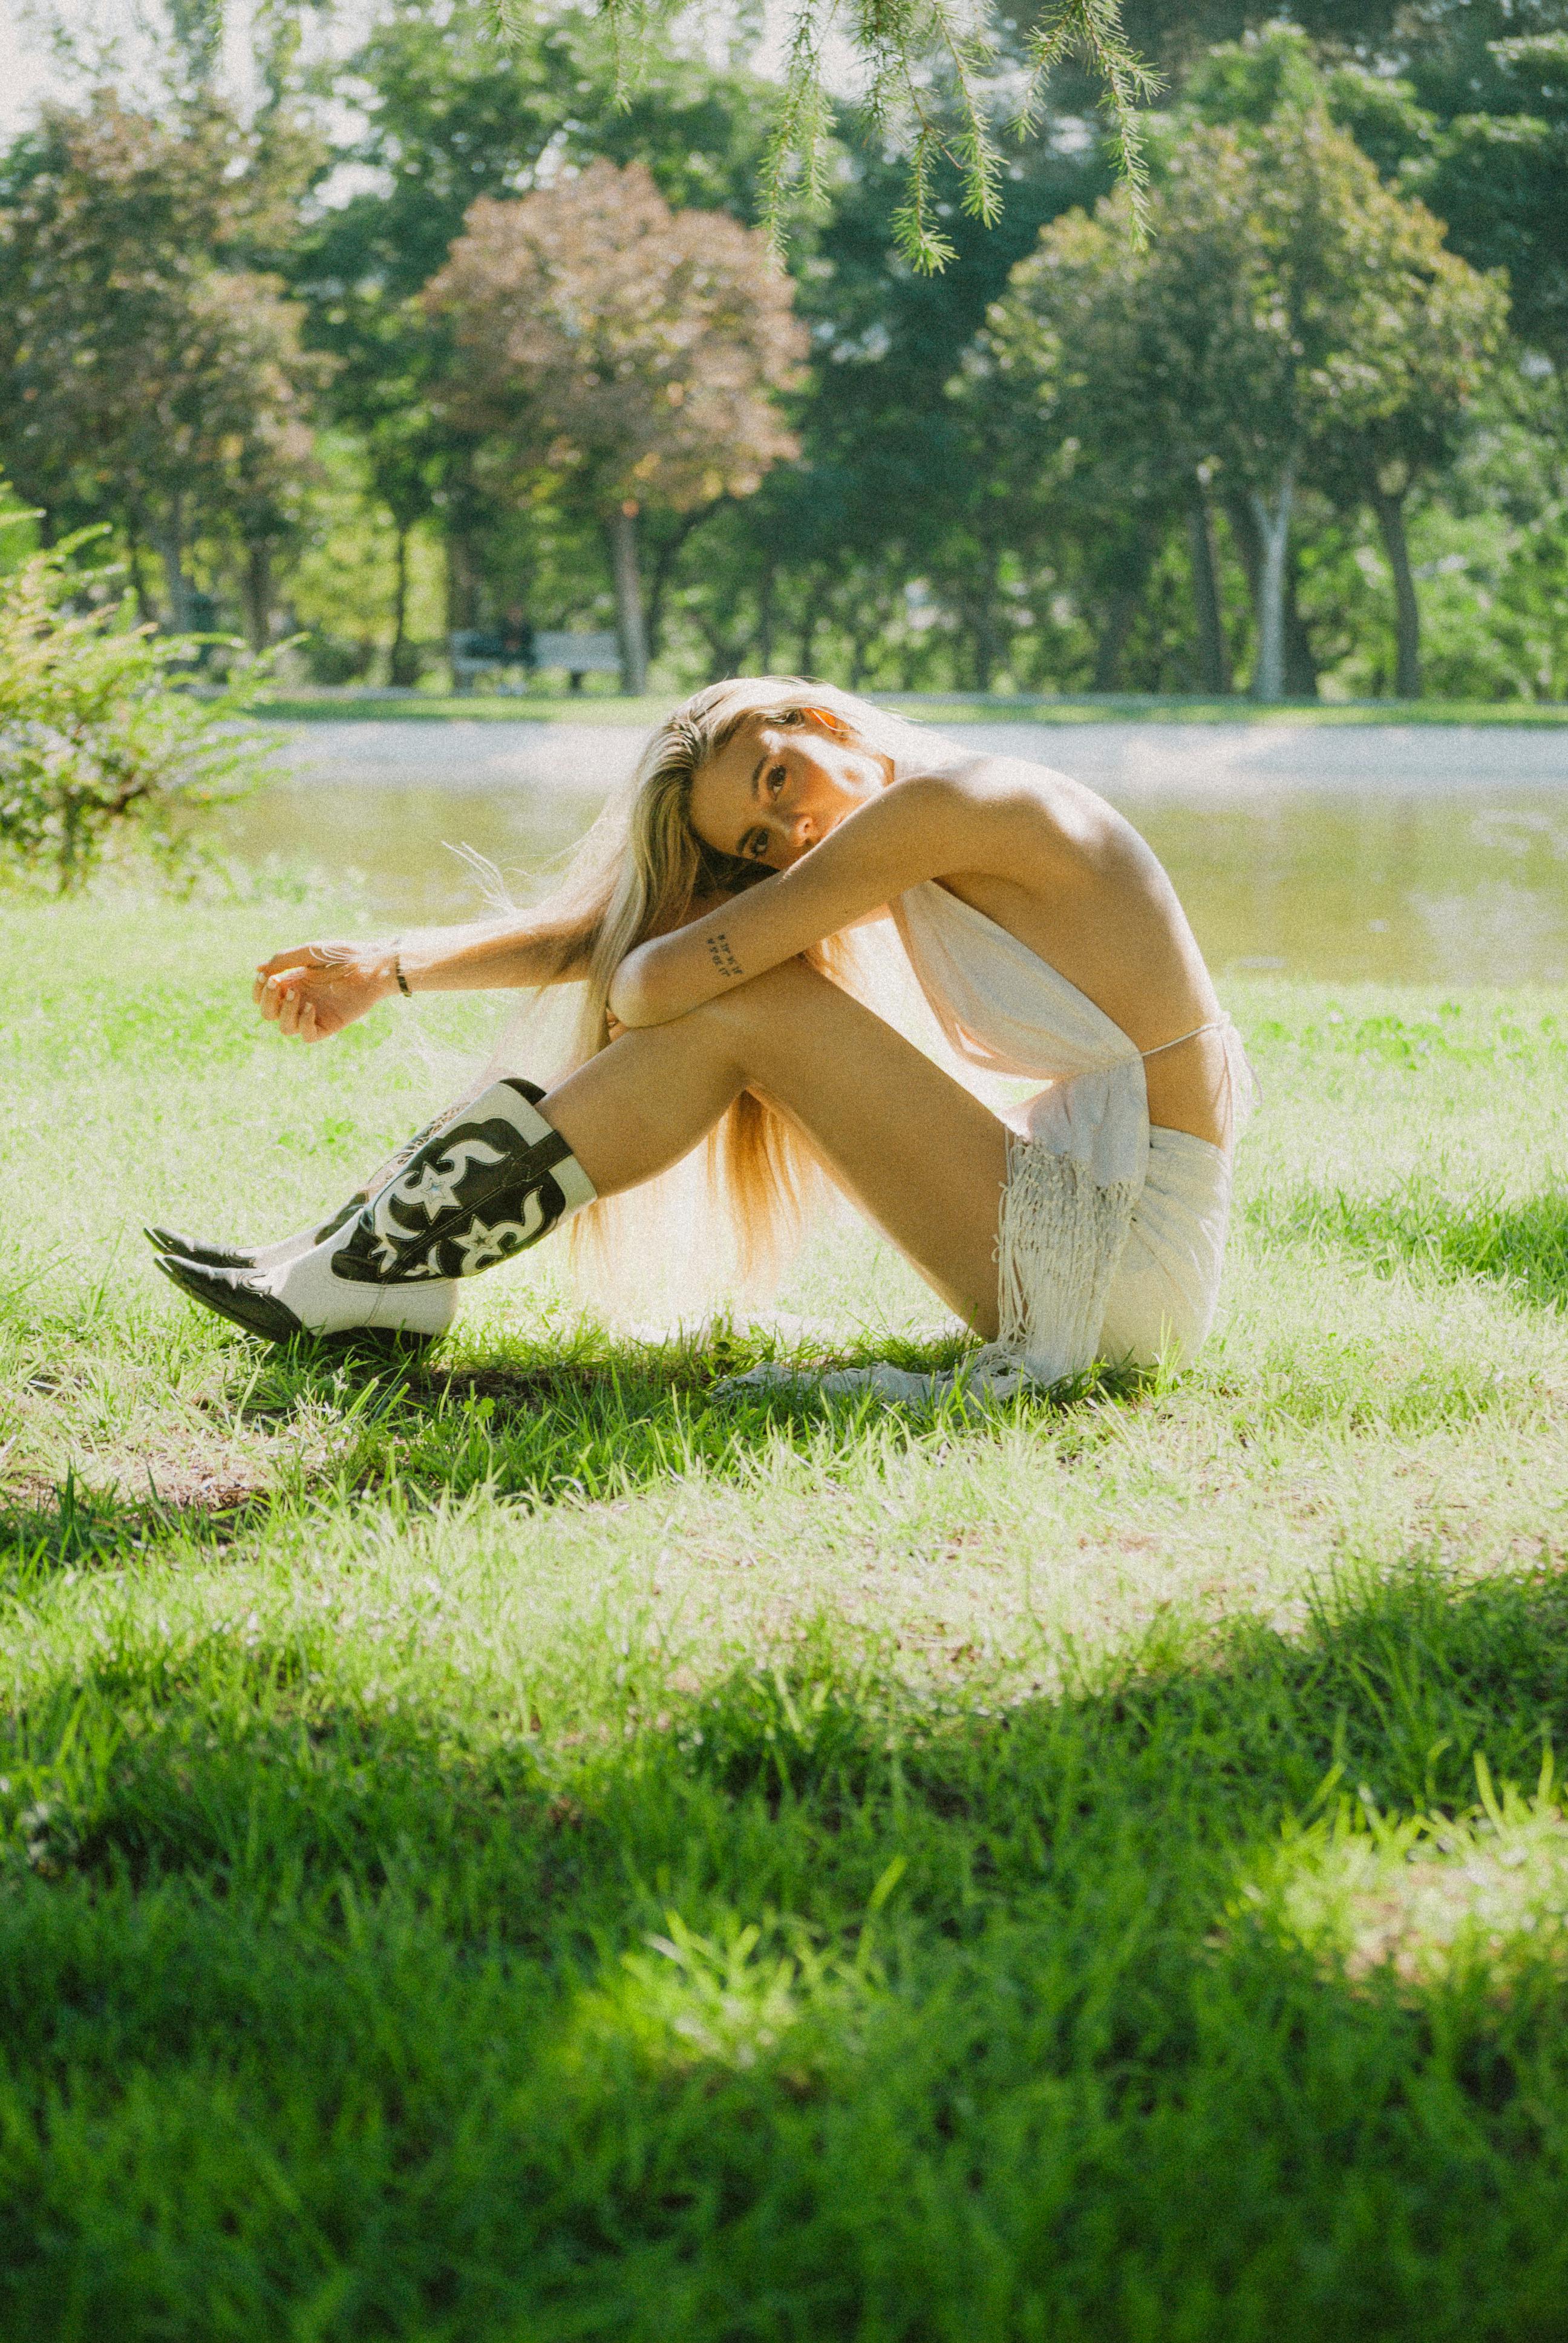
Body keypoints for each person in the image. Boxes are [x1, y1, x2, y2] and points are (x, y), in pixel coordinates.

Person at [152, 678, 1250, 1397]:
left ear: (818, 720)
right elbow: (625, 947)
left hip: (1122, 1267)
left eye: (780, 782)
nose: (792, 833)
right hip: (1088, 1218)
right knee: (746, 994)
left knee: (754, 1001)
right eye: (762, 842)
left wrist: (664, 969)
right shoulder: (902, 824)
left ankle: (378, 1266)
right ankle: (359, 1261)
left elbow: (661, 974)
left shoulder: (947, 806)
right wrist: (391, 968)